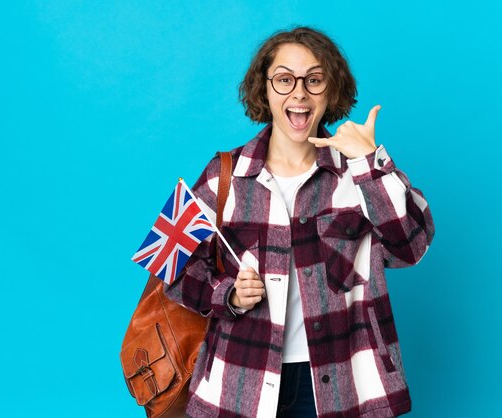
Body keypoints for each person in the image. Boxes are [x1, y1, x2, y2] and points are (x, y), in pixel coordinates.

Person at [164, 26, 434, 418]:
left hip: (344, 386)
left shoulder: (358, 172)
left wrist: (370, 163)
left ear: (331, 90)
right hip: (241, 384)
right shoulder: (224, 173)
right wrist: (229, 295)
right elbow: (169, 268)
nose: (299, 93)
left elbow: (411, 246)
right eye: (285, 79)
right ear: (266, 89)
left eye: (314, 79)